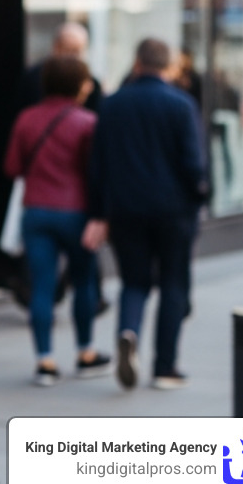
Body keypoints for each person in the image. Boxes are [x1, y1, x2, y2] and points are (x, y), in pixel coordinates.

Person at [83, 37, 208, 391]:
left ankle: (128, 331)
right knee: (173, 283)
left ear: (137, 63)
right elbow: (194, 163)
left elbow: (98, 165)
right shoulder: (181, 104)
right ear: (169, 67)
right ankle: (165, 368)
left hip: (126, 209)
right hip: (174, 211)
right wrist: (199, 196)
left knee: (134, 282)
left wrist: (98, 212)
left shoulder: (112, 105)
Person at [3, 56, 110, 386]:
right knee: (84, 283)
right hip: (76, 213)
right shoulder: (88, 122)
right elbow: (97, 173)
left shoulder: (27, 118)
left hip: (36, 211)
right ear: (79, 85)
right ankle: (85, 352)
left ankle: (45, 361)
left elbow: (12, 167)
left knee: (41, 286)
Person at [16, 22, 104, 114]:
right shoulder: (33, 79)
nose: (72, 56)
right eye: (68, 50)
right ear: (56, 47)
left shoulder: (91, 84)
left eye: (77, 51)